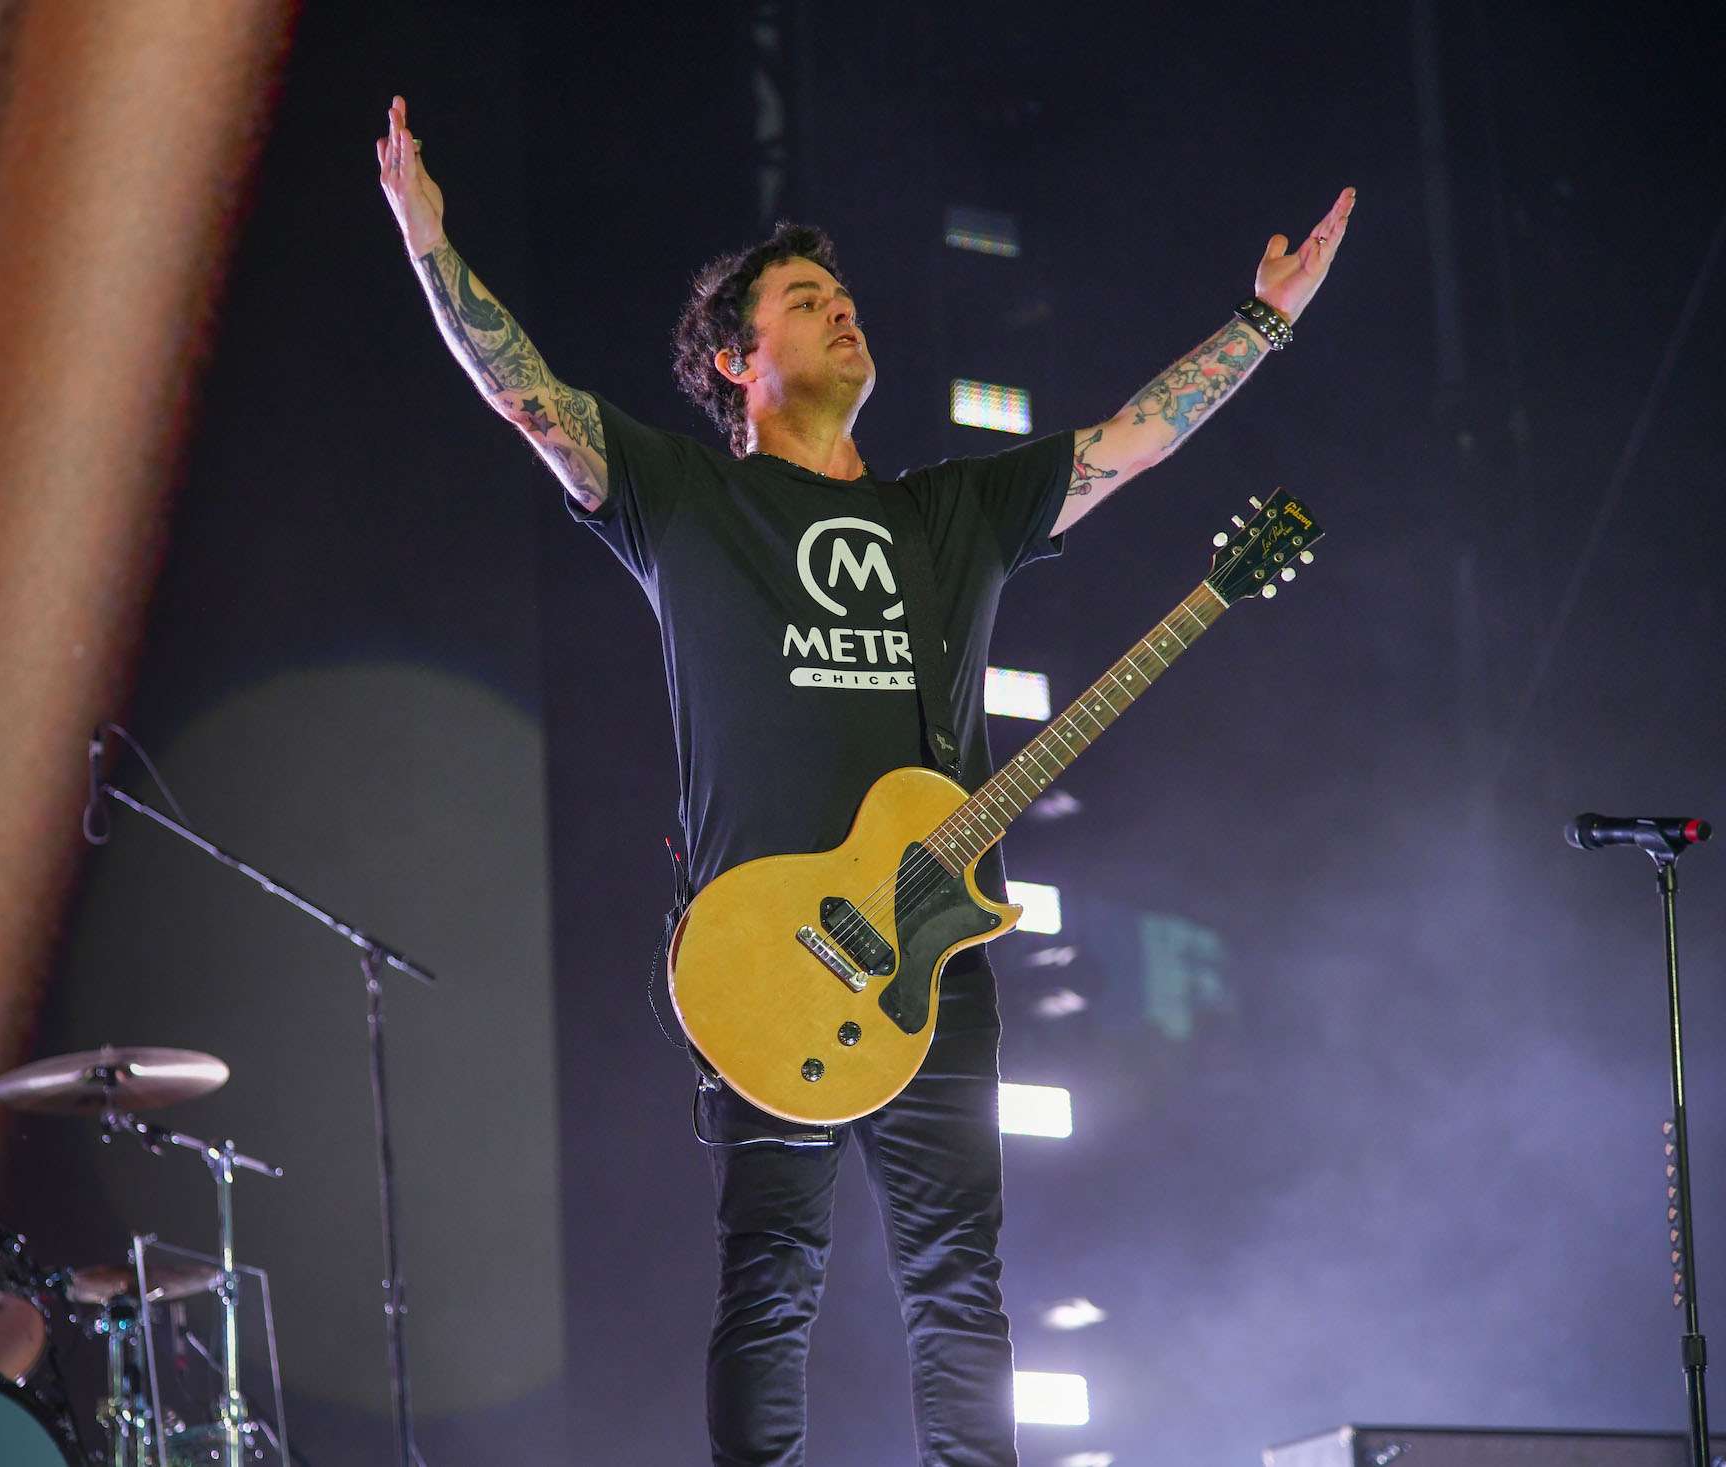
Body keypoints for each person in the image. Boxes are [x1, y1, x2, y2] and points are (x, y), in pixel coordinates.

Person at [377, 95, 1352, 1466]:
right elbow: (524, 396)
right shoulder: (686, 501)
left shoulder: (949, 513)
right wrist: (430, 245)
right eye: (804, 301)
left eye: (843, 296)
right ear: (736, 360)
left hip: (933, 963)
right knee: (769, 1280)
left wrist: (1265, 320)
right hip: (764, 955)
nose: (842, 310)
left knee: (960, 1284)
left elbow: (1135, 438)